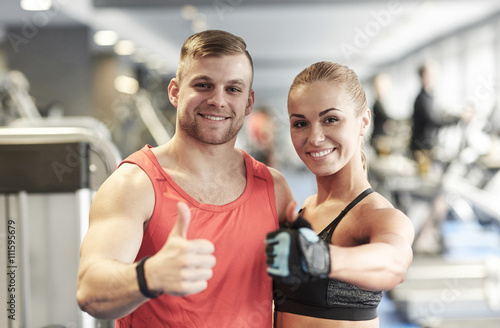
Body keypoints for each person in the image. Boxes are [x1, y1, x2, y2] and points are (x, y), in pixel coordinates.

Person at [76, 29, 293, 327]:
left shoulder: (274, 188)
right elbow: (90, 290)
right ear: (175, 92)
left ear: (249, 102)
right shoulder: (135, 184)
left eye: (233, 89)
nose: (218, 100)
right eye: (203, 85)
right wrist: (150, 275)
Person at [265, 61, 414, 328]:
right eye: (300, 123)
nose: (315, 137)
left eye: (330, 119)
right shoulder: (304, 209)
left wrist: (322, 258)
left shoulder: (375, 214)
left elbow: (395, 263)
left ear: (363, 121)